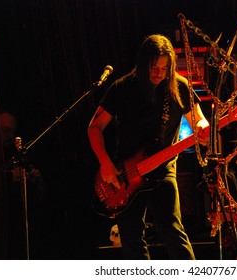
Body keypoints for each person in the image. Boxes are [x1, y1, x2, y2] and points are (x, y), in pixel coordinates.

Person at [88, 34, 209, 259]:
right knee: (131, 239)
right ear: (143, 63)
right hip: (124, 175)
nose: (159, 74)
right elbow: (94, 128)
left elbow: (198, 119)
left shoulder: (178, 86)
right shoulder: (122, 88)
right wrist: (105, 163)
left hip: (162, 172)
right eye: (154, 67)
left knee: (172, 232)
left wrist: (203, 127)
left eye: (164, 68)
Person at [0, 111, 50, 259]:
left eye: (13, 132)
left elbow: (43, 197)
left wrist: (38, 181)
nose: (10, 136)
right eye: (5, 131)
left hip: (21, 227)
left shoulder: (19, 156)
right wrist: (8, 177)